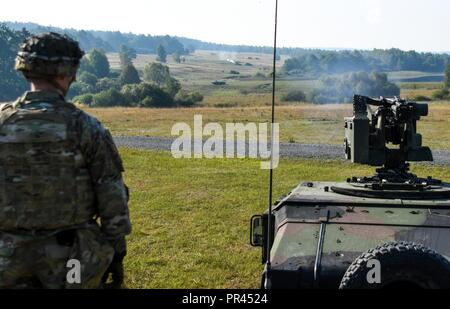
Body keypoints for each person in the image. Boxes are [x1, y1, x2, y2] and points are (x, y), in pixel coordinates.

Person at [0, 32, 131, 288]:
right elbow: (112, 198)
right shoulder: (85, 128)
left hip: (6, 261)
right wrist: (117, 251)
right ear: (65, 74)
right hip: (71, 262)